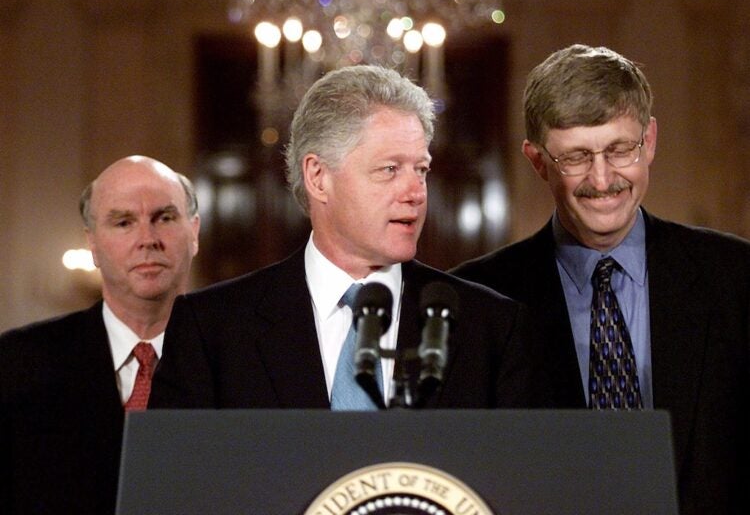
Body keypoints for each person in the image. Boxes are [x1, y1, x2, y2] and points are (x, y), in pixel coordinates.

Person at [451, 44, 749, 515]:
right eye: (576, 157)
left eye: (619, 149)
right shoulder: (472, 300)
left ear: (649, 141)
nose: (603, 178)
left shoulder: (737, 278)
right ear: (537, 161)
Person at [149, 65, 539, 413]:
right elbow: (173, 484)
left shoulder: (490, 327)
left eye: (421, 169)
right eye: (389, 169)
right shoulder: (212, 329)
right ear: (318, 177)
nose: (416, 192)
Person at [0, 155, 200, 514]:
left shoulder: (239, 359)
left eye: (164, 218)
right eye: (124, 222)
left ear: (194, 232)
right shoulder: (16, 364)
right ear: (92, 243)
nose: (147, 239)